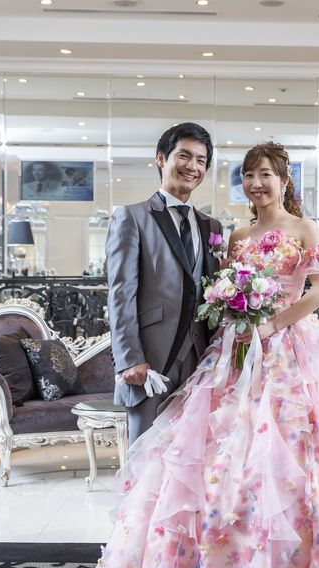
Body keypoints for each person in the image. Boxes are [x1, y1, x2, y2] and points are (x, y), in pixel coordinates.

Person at [92, 142, 319, 568]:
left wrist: (273, 324)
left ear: (284, 181)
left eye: (265, 174)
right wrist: (236, 314)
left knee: (312, 447)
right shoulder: (235, 236)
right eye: (249, 175)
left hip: (294, 346)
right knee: (225, 447)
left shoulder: (304, 228)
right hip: (237, 348)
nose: (256, 183)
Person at [106, 122, 222, 445]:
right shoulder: (131, 218)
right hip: (151, 361)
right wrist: (130, 358)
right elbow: (120, 294)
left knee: (193, 456)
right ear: (161, 158)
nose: (192, 166)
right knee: (145, 455)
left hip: (200, 360)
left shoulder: (212, 227)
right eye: (184, 155)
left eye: (201, 160)